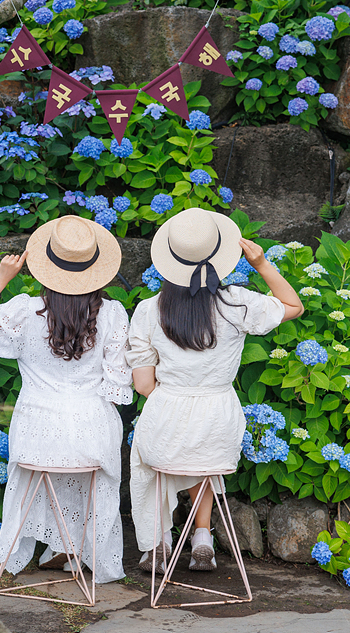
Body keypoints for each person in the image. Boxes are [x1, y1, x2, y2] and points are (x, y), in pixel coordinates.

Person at [0, 214, 133, 583]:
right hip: (94, 427)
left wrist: (1, 278)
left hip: (35, 431)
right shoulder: (114, 314)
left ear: (45, 267)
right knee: (83, 467)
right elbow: (118, 384)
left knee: (50, 465)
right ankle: (74, 550)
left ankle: (56, 549)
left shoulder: (23, 310)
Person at [127, 207, 303, 572]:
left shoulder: (148, 309)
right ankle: (202, 536)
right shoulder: (237, 303)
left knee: (153, 459)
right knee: (202, 458)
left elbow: (143, 385)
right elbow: (293, 306)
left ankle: (157, 543)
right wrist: (262, 263)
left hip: (167, 411)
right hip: (220, 418)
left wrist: (176, 392)